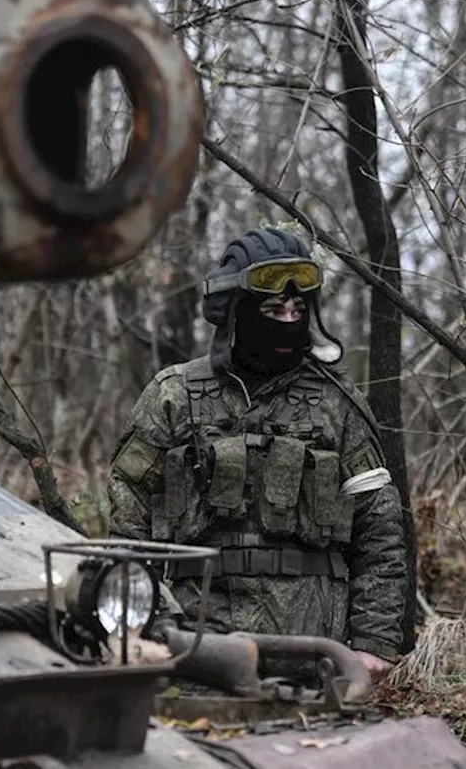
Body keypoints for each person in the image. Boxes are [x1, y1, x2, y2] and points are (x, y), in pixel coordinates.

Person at [106, 227, 411, 682]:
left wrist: (373, 642)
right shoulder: (174, 396)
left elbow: (380, 529)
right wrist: (138, 624)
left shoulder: (337, 403)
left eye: (297, 309)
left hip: (315, 652)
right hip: (193, 646)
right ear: (235, 313)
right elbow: (127, 520)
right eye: (272, 309)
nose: (287, 320)